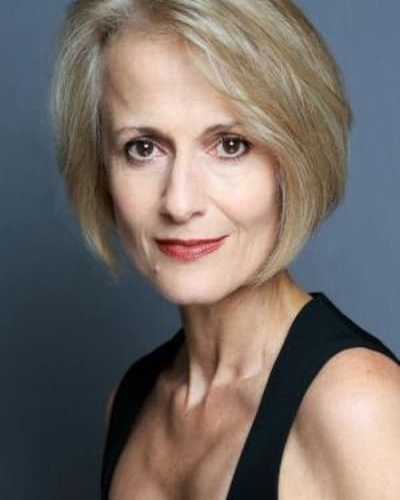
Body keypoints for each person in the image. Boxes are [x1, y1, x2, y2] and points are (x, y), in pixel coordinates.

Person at [52, 0, 400, 499]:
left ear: (294, 161)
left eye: (230, 145)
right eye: (143, 148)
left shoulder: (356, 406)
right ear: (101, 170)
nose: (179, 202)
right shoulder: (130, 403)